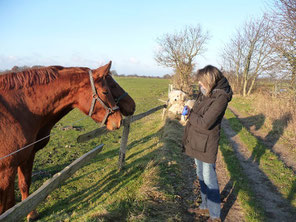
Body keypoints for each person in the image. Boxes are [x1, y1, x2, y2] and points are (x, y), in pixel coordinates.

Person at [182, 65, 233, 222]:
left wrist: (189, 115)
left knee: (209, 177)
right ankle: (204, 207)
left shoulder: (221, 97)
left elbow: (205, 123)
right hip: (197, 139)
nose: (200, 86)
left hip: (207, 142)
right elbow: (198, 111)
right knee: (200, 175)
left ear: (209, 81)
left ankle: (215, 216)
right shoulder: (207, 92)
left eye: (202, 83)